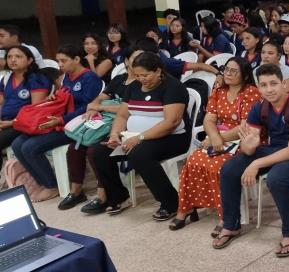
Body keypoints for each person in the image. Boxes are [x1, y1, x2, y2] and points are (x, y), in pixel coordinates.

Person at [215, 64, 289, 251]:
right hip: (271, 149)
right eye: (264, 85)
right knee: (228, 170)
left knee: (277, 179)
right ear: (258, 88)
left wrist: (256, 163)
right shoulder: (260, 106)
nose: (269, 89)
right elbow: (248, 147)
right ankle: (231, 224)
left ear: (284, 84)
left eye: (273, 84)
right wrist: (249, 147)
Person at [91, 52, 190, 219]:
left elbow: (171, 122)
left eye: (145, 75)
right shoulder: (133, 87)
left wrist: (140, 138)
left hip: (172, 137)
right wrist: (115, 134)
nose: (141, 79)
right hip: (134, 136)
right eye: (137, 75)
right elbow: (122, 115)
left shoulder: (173, 87)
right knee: (98, 152)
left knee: (140, 154)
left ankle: (171, 203)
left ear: (158, 71)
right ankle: (118, 196)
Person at [170, 57, 261, 231]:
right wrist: (214, 136)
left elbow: (246, 126)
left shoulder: (251, 92)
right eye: (226, 69)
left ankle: (225, 215)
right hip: (220, 138)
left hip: (246, 139)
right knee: (194, 161)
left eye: (234, 71)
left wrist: (219, 138)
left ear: (245, 75)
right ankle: (187, 208)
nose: (228, 73)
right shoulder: (218, 91)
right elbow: (209, 119)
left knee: (219, 165)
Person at [12, 44, 102, 203]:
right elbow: (65, 99)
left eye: (63, 61)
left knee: (30, 147)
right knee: (18, 143)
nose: (60, 65)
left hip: (77, 125)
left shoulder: (89, 78)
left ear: (76, 59)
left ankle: (51, 186)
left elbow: (88, 108)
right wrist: (54, 98)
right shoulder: (67, 76)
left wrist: (61, 120)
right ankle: (41, 183)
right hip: (61, 120)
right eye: (58, 61)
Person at [78, 47, 142, 214]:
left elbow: (129, 108)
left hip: (130, 125)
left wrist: (100, 107)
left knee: (96, 150)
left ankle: (106, 194)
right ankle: (75, 191)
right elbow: (101, 97)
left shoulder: (142, 82)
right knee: (75, 148)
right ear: (126, 61)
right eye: (135, 58)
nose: (139, 62)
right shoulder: (120, 79)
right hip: (110, 122)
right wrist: (94, 108)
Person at [0, 46, 51, 152]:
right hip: (5, 123)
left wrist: (12, 123)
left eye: (18, 56)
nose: (13, 60)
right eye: (9, 57)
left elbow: (36, 109)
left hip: (22, 124)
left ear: (29, 60)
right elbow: (1, 104)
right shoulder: (6, 78)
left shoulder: (37, 78)